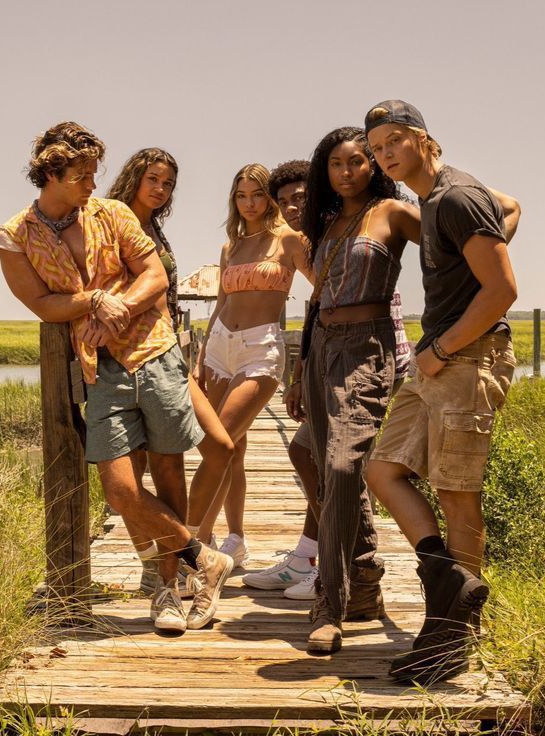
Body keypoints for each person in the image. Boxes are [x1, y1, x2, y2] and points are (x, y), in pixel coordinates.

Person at [0, 122, 233, 635]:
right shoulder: (14, 236)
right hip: (98, 369)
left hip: (155, 351)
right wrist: (91, 301)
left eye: (93, 174)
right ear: (51, 174)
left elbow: (155, 275)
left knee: (169, 472)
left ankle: (169, 592)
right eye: (81, 176)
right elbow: (40, 302)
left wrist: (118, 305)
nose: (91, 185)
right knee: (121, 490)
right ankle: (202, 557)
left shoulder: (114, 213)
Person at [363, 100, 520, 684]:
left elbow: (502, 288)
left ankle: (452, 641)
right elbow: (511, 206)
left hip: (464, 358)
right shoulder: (435, 200)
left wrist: (443, 347)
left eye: (395, 142)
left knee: (457, 494)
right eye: (378, 149)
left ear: (425, 139)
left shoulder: (454, 197)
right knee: (383, 471)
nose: (386, 155)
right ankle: (454, 586)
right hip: (438, 361)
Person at [242, 160, 412, 601]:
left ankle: (343, 567)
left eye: (300, 196)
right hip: (331, 360)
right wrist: (301, 375)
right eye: (283, 202)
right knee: (313, 453)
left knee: (330, 460)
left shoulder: (353, 226)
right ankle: (309, 557)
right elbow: (319, 308)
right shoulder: (321, 239)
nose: (292, 207)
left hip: (370, 357)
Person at [286, 126, 422, 655]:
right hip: (321, 345)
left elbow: (458, 236)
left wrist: (503, 211)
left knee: (343, 466)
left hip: (367, 347)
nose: (346, 171)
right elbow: (317, 299)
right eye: (336, 164)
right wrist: (299, 370)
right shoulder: (324, 223)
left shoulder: (393, 213)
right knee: (328, 464)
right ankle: (363, 584)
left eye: (357, 162)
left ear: (374, 166)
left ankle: (330, 603)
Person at [106, 148, 235, 597]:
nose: (160, 190)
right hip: (133, 356)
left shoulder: (151, 226)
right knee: (141, 469)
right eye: (153, 180)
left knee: (220, 447)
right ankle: (161, 560)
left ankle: (180, 547)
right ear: (134, 178)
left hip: (171, 354)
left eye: (168, 184)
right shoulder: (115, 220)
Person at [195, 163, 314, 566]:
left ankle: (198, 546)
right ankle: (236, 539)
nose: (249, 203)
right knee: (235, 449)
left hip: (260, 349)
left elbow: (326, 290)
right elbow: (222, 303)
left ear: (269, 198)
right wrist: (200, 354)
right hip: (219, 348)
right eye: (241, 195)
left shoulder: (291, 241)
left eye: (257, 194)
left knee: (218, 444)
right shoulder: (232, 246)